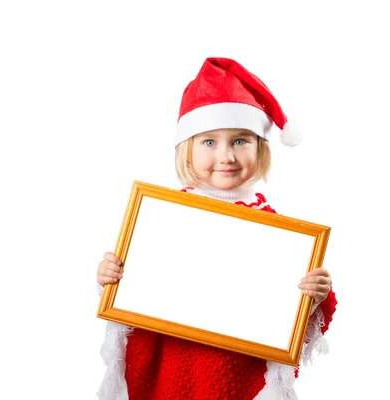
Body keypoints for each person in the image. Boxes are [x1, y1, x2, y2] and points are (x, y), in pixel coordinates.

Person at [96, 57, 337, 400]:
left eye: (240, 141)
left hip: (238, 368)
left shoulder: (277, 231)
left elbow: (293, 309)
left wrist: (317, 293)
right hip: (173, 360)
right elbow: (139, 289)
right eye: (209, 142)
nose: (226, 156)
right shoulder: (162, 217)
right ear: (187, 149)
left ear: (260, 148)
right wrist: (112, 276)